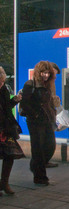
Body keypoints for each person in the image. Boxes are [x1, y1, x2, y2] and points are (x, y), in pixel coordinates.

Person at [20, 61, 58, 186]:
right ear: (38, 73)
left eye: (47, 73)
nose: (46, 75)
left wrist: (53, 111)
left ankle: (35, 166)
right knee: (38, 149)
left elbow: (49, 103)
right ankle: (40, 177)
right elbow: (25, 103)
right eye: (43, 72)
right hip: (35, 121)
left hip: (46, 119)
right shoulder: (30, 84)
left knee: (50, 145)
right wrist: (35, 114)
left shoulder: (47, 85)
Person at [0, 67, 25, 196]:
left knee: (10, 155)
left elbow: (6, 106)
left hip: (5, 128)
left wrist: (14, 101)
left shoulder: (3, 89)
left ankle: (4, 183)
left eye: (3, 81)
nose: (1, 84)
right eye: (0, 81)